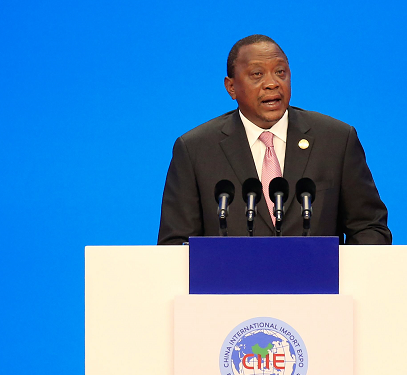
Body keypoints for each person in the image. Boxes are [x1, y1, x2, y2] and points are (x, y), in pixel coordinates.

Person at [157, 34, 391, 245]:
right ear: (231, 87)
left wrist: (341, 276)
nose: (272, 83)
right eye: (257, 74)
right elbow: (175, 244)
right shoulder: (195, 149)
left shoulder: (336, 140)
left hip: (318, 290)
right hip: (231, 290)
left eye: (280, 72)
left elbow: (370, 227)